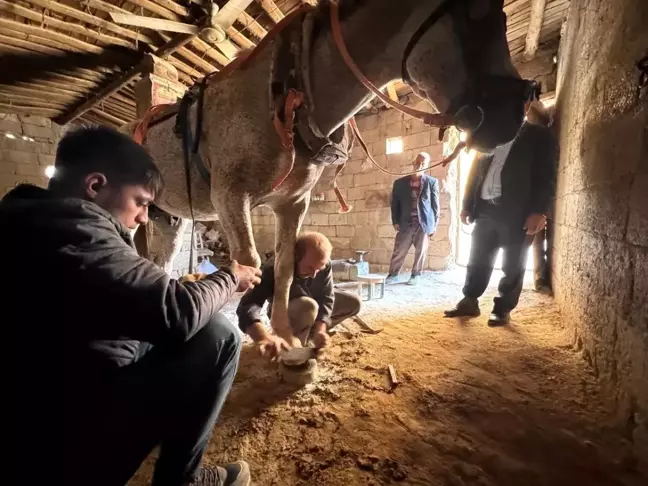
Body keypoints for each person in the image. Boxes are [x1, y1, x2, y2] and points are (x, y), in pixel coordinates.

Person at [3, 126, 261, 486]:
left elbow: (125, 296)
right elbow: (176, 313)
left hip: (40, 411)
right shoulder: (78, 231)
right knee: (219, 334)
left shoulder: (28, 218)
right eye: (140, 202)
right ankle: (179, 480)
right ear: (95, 185)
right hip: (63, 447)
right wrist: (230, 277)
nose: (143, 217)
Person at [445, 101, 558, 326]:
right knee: (477, 259)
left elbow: (546, 175)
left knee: (513, 263)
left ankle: (503, 308)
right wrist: (467, 204)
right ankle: (470, 300)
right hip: (485, 209)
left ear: (526, 108)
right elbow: (474, 173)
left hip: (517, 212)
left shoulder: (539, 136)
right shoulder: (488, 137)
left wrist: (539, 211)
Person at [237, 232, 361, 355]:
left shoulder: (322, 264)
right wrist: (262, 336)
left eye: (319, 268)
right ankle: (292, 348)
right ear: (296, 257)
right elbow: (248, 305)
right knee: (308, 306)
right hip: (288, 311)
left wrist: (320, 329)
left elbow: (326, 297)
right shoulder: (275, 267)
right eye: (309, 268)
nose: (314, 275)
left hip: (312, 302)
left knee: (353, 303)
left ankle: (312, 336)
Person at [386, 152, 440, 285]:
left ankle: (416, 275)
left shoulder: (431, 182)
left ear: (427, 166)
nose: (419, 165)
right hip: (406, 221)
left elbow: (435, 206)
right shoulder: (399, 183)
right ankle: (393, 274)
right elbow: (394, 204)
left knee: (421, 250)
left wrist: (434, 225)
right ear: (413, 162)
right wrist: (395, 221)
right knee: (399, 249)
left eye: (423, 163)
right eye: (417, 162)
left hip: (424, 223)